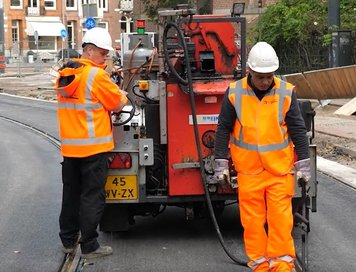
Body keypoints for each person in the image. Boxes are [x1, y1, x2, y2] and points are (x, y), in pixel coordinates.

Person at [214, 41, 311, 271]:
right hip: (249, 172)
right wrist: (220, 164)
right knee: (253, 222)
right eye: (260, 77)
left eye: (269, 76)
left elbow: (297, 129)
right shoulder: (235, 92)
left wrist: (304, 164)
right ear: (249, 71)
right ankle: (259, 263)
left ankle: (282, 264)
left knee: (280, 220)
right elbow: (223, 129)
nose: (266, 81)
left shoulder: (286, 92)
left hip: (279, 170)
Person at [55, 27, 128, 259]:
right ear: (90, 50)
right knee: (92, 196)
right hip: (93, 149)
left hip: (70, 148)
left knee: (71, 194)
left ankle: (68, 240)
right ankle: (90, 245)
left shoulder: (65, 73)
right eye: (103, 54)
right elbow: (117, 103)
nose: (105, 58)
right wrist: (121, 92)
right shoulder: (96, 76)